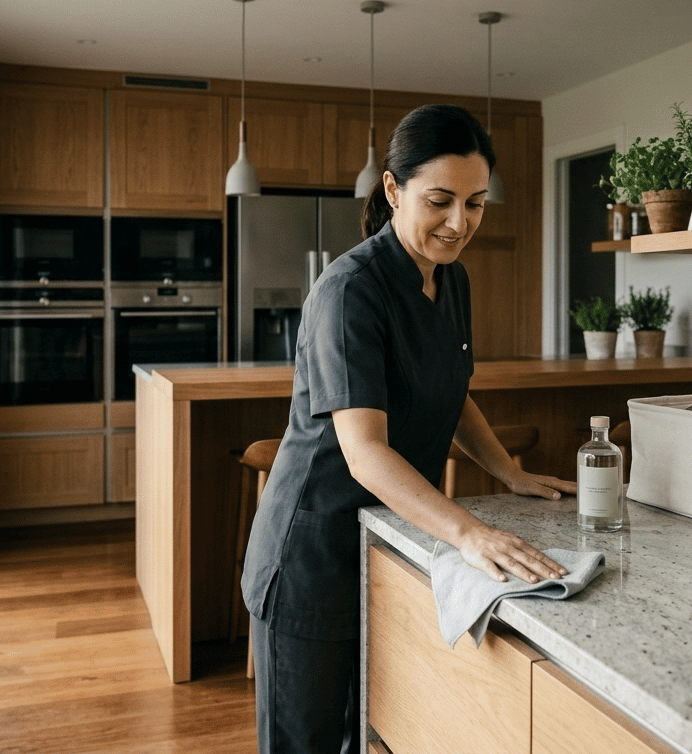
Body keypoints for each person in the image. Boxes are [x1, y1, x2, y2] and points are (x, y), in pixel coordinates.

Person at [240, 104, 577, 754]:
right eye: (441, 201)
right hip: (312, 554)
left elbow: (450, 389)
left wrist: (508, 470)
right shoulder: (350, 291)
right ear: (394, 190)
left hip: (386, 544)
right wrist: (469, 533)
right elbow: (365, 453)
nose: (461, 224)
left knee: (375, 733)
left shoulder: (450, 281)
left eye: (476, 203)